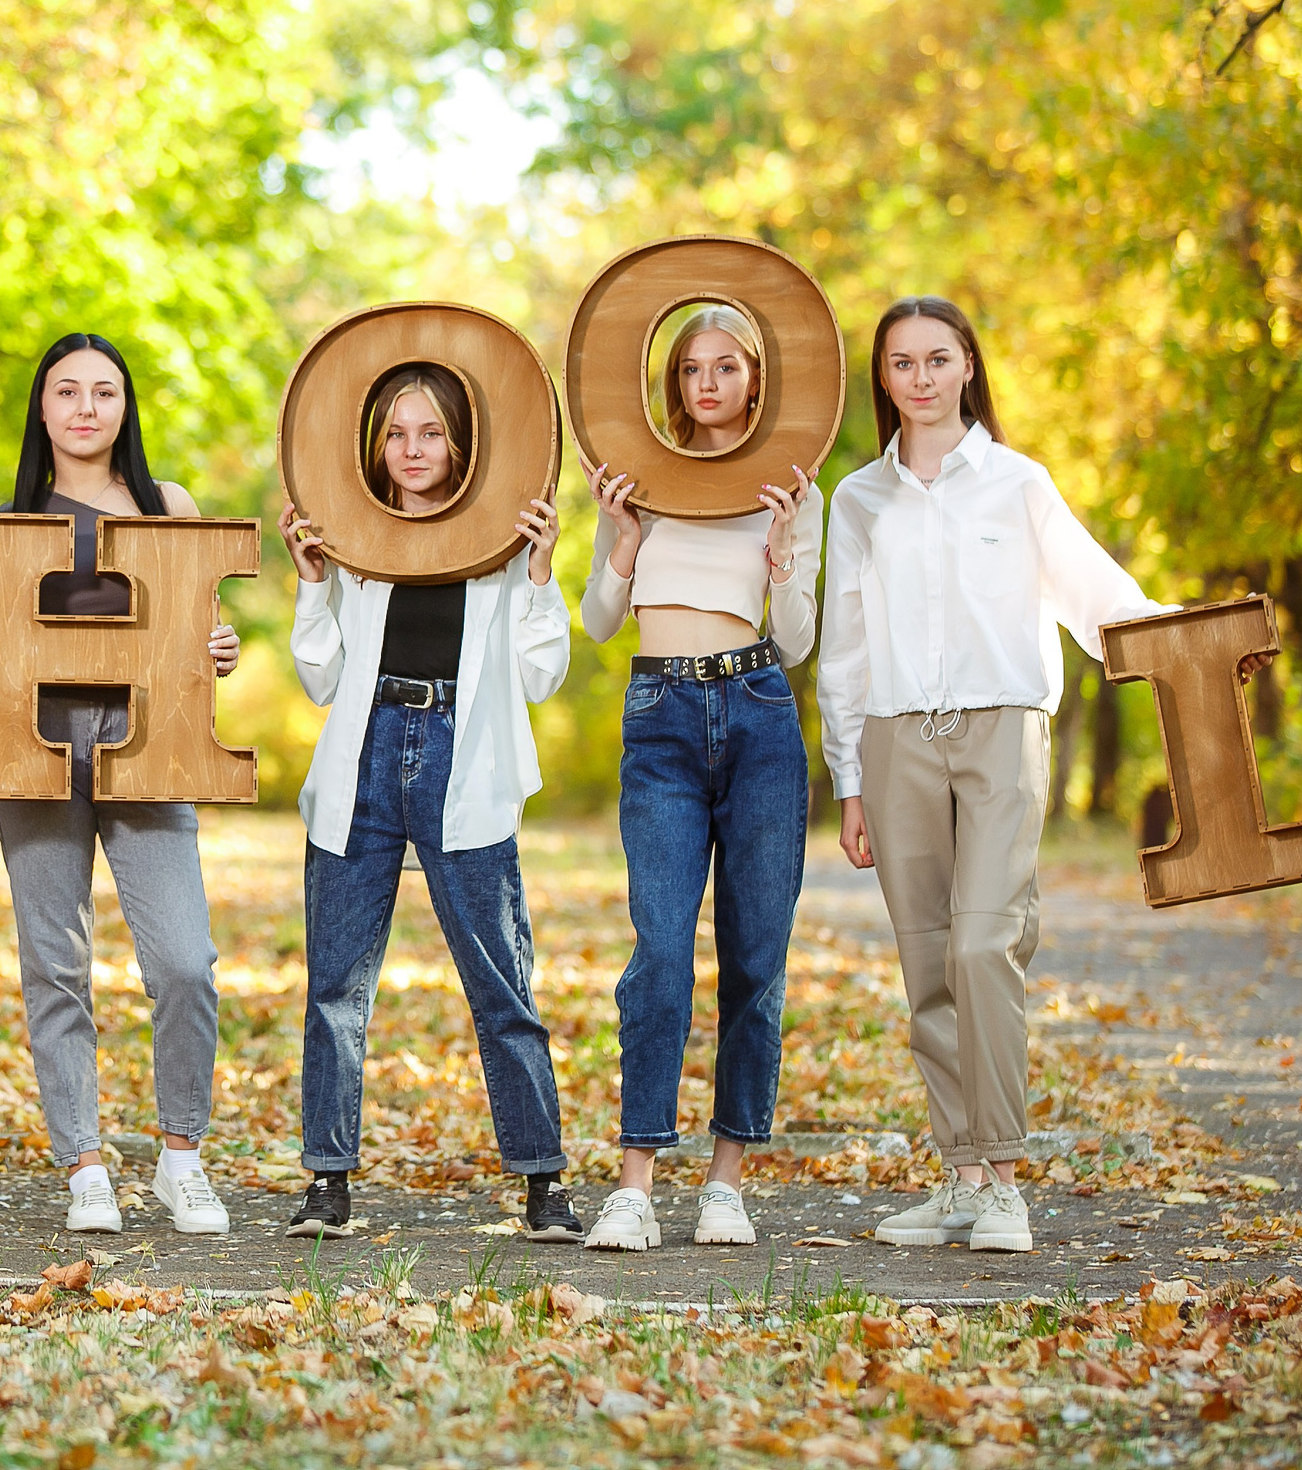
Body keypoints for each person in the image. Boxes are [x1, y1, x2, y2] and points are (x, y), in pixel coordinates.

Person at [819, 296, 1172, 1254]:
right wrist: (849, 775)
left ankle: (1006, 1180)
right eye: (902, 364)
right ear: (884, 380)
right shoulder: (858, 500)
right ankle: (961, 1177)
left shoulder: (1018, 484)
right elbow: (843, 649)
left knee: (984, 945)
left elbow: (1102, 597)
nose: (922, 378)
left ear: (968, 366)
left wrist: (1184, 640)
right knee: (928, 961)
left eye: (939, 359)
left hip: (1001, 731)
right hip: (896, 742)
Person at [0, 333, 241, 1236]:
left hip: (152, 744)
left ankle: (182, 1156)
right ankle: (86, 1165)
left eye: (104, 391)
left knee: (185, 961)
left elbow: (198, 632)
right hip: (36, 745)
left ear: (124, 407)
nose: (86, 407)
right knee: (55, 963)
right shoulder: (6, 519)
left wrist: (220, 649)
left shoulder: (165, 504)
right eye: (67, 390)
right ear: (43, 407)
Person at [277, 364, 582, 1243]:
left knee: (500, 981)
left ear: (461, 443)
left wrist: (537, 573)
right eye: (398, 433)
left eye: (432, 433)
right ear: (378, 445)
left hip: (462, 758)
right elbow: (321, 676)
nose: (414, 450)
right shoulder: (357, 541)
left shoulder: (494, 546)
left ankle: (542, 1183)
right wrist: (312, 581)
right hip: (364, 753)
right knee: (336, 981)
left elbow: (541, 674)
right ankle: (327, 1181)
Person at [576, 305, 819, 1252]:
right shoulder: (643, 480)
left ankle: (727, 1178)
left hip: (756, 711)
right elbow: (601, 620)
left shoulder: (789, 486)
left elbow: (794, 639)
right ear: (673, 384)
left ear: (757, 380)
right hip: (662, 717)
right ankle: (636, 1178)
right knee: (661, 953)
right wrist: (619, 541)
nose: (708, 383)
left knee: (756, 956)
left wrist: (787, 554)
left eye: (727, 366)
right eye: (691, 369)